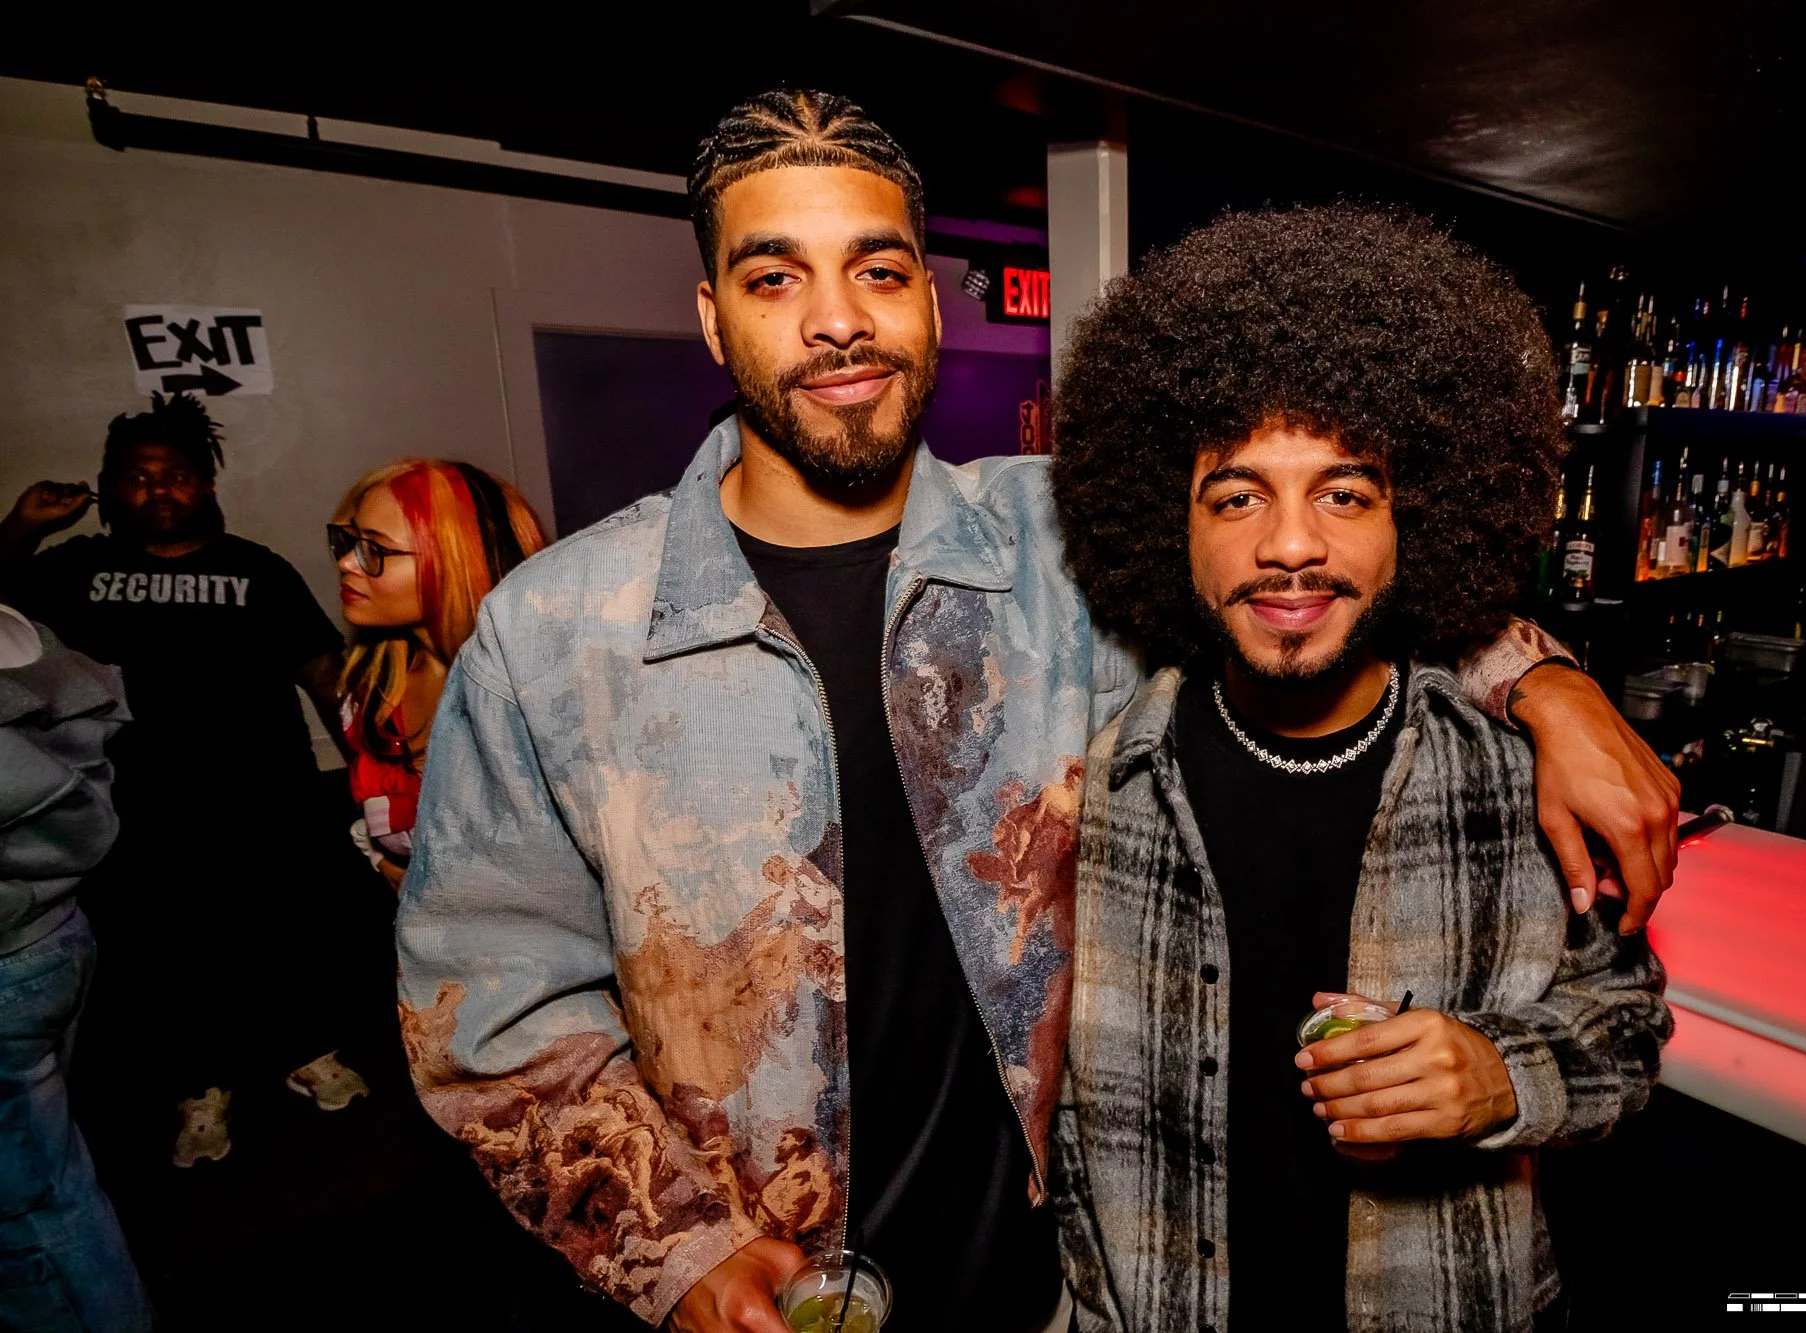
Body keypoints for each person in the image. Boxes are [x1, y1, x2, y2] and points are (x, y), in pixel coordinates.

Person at [395, 90, 1679, 1333]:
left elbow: (1312, 573)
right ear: (713, 319)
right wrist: (674, 1247)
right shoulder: (553, 636)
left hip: (1052, 1295)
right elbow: (491, 1023)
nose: (836, 321)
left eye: (877, 270)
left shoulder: (1062, 549)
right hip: (770, 1303)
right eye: (774, 277)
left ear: (928, 300)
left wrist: (1542, 682)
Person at [1046, 205, 1672, 1333]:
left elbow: (1626, 1027)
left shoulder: (1514, 779)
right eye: (1237, 496)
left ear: (1413, 518)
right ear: (1170, 523)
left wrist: (1501, 1073)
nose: (1290, 544)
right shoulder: (1100, 784)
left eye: (1344, 493)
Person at [0, 392, 368, 1171]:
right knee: (164, 952)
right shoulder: (78, 569)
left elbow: (324, 673)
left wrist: (369, 772)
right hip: (135, 805)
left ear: (206, 483)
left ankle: (306, 1049)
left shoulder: (257, 569)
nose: (158, 491)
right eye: (137, 477)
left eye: (176, 475)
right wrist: (23, 526)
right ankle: (200, 1087)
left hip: (264, 797)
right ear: (109, 486)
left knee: (286, 928)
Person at [0, 602, 152, 1331]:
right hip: (51, 935)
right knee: (52, 1180)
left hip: (15, 956)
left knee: (30, 1212)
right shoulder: (13, 623)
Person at [328, 459, 546, 890]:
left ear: (454, 562)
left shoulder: (535, 701)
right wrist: (383, 860)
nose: (347, 563)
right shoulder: (373, 691)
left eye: (374, 550)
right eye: (348, 542)